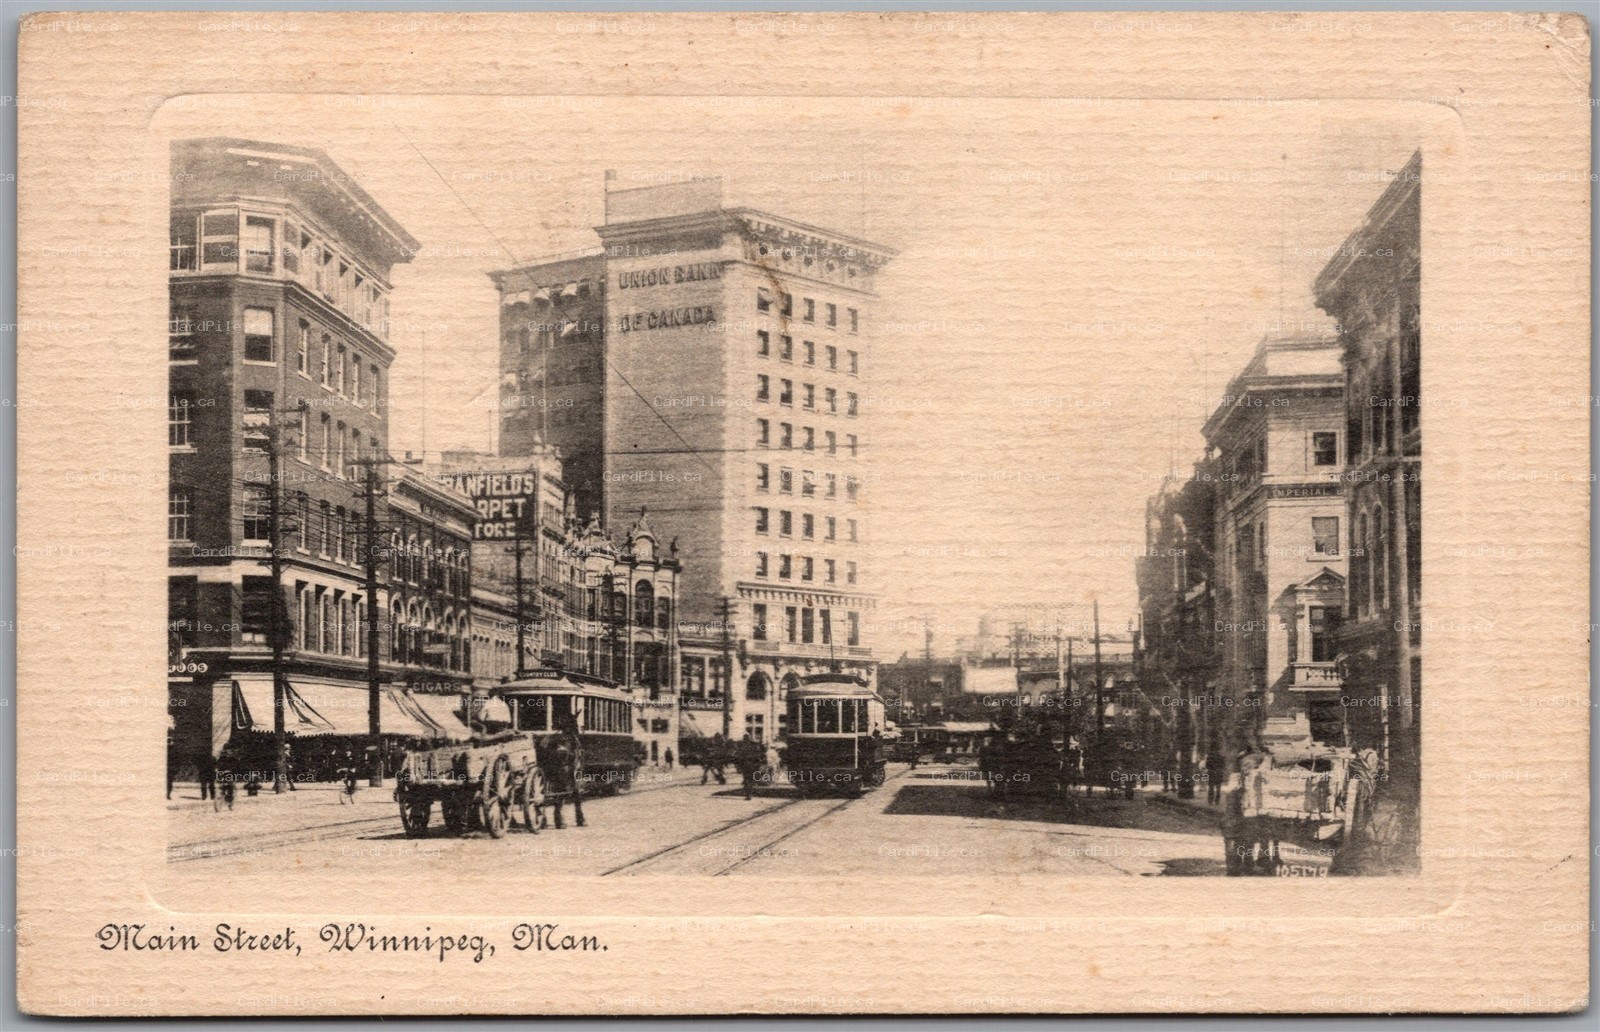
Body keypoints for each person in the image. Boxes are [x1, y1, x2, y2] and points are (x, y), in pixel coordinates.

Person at [546, 716, 586, 829]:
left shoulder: (551, 737)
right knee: (575, 790)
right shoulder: (573, 739)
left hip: (551, 768)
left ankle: (557, 818)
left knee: (558, 789)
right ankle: (579, 818)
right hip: (567, 769)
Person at [735, 734, 764, 800]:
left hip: (745, 764)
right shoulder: (754, 745)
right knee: (751, 779)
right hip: (753, 764)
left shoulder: (742, 746)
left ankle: (748, 793)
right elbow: (759, 755)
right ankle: (749, 793)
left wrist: (739, 765)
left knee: (747, 778)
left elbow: (738, 756)